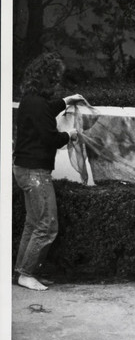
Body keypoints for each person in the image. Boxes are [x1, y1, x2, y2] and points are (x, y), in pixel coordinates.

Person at [13, 52, 88, 291]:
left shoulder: (30, 99)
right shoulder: (37, 105)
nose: (57, 82)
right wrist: (70, 135)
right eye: (55, 78)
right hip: (35, 172)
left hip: (26, 169)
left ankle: (22, 271)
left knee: (33, 224)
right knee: (46, 226)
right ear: (47, 78)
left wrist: (68, 100)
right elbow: (50, 138)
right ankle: (26, 274)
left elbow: (47, 110)